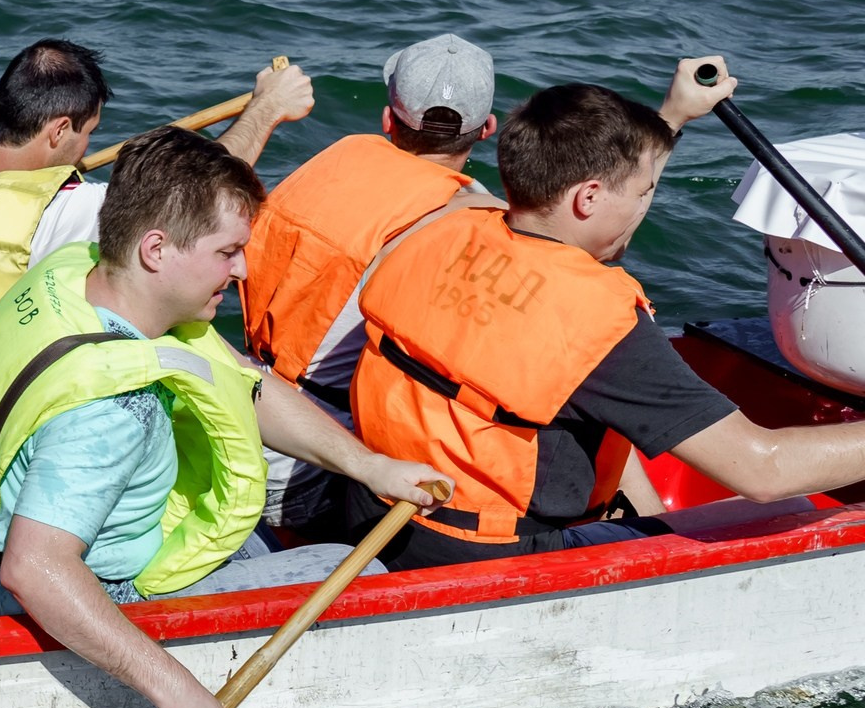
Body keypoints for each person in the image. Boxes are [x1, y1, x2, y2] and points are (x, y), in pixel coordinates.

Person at [0, 127, 447, 708]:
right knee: (359, 572)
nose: (243, 270)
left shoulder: (72, 275)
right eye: (227, 252)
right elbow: (35, 570)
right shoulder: (111, 408)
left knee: (255, 537)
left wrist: (370, 466)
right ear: (155, 249)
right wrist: (176, 691)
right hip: (52, 599)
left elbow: (239, 381)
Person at [354, 61, 865, 571]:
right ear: (589, 197)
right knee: (792, 510)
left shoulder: (444, 228)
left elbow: (584, 224)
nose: (643, 207)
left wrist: (673, 117)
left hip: (381, 513)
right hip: (492, 557)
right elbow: (763, 470)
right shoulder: (599, 324)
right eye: (642, 193)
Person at [0, 40, 316, 450]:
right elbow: (193, 198)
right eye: (89, 133)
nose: (86, 149)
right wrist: (266, 110)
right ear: (59, 130)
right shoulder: (71, 213)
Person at [238, 33, 504, 533]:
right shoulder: (472, 219)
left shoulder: (337, 159)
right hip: (310, 466)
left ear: (387, 120)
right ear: (487, 128)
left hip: (239, 405)